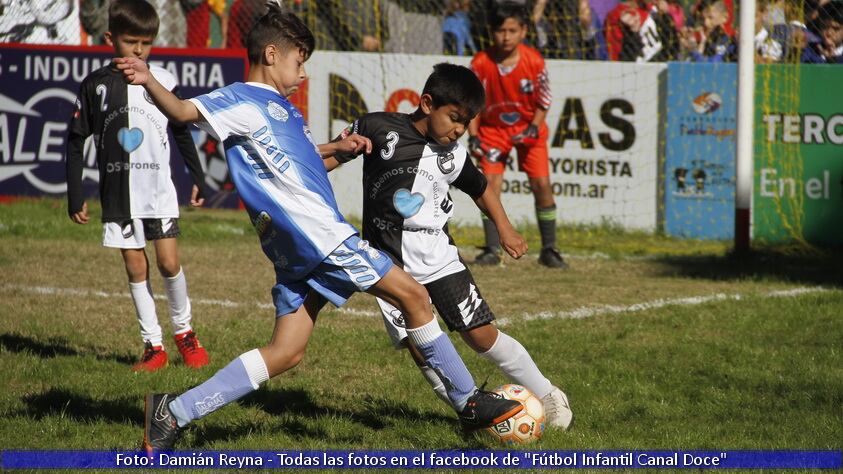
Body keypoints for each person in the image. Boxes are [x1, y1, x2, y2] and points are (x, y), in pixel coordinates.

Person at [114, 5, 523, 452]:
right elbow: (181, 112)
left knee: (286, 352)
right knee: (415, 295)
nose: (303, 73)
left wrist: (340, 148)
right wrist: (148, 78)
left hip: (297, 248)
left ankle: (172, 413)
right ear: (271, 55)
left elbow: (298, 162)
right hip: (319, 235)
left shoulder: (280, 108)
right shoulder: (241, 98)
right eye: (298, 61)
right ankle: (467, 402)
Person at [324, 63, 574, 429]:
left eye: (466, 122)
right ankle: (467, 411)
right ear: (427, 104)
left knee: (481, 335)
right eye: (454, 118)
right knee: (420, 345)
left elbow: (481, 187)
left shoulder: (453, 153)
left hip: (439, 259)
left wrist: (504, 228)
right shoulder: (376, 127)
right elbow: (329, 158)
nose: (459, 130)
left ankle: (549, 395)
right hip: (387, 265)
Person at [66, 0, 210, 373]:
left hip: (159, 191)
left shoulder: (162, 79)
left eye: (146, 42)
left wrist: (198, 178)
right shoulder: (96, 85)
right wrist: (75, 194)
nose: (139, 50)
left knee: (168, 261)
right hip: (118, 195)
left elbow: (181, 131)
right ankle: (153, 345)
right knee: (135, 267)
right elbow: (75, 139)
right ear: (110, 38)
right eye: (131, 42)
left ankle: (185, 333)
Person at [468, 2, 567, 269]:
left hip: (528, 129)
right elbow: (473, 104)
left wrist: (534, 126)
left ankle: (549, 249)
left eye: (512, 30)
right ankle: (491, 249)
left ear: (523, 31)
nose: (506, 36)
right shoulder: (480, 63)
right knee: (488, 186)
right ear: (491, 32)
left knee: (542, 185)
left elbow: (544, 99)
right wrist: (474, 135)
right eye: (501, 30)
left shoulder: (534, 61)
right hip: (492, 131)